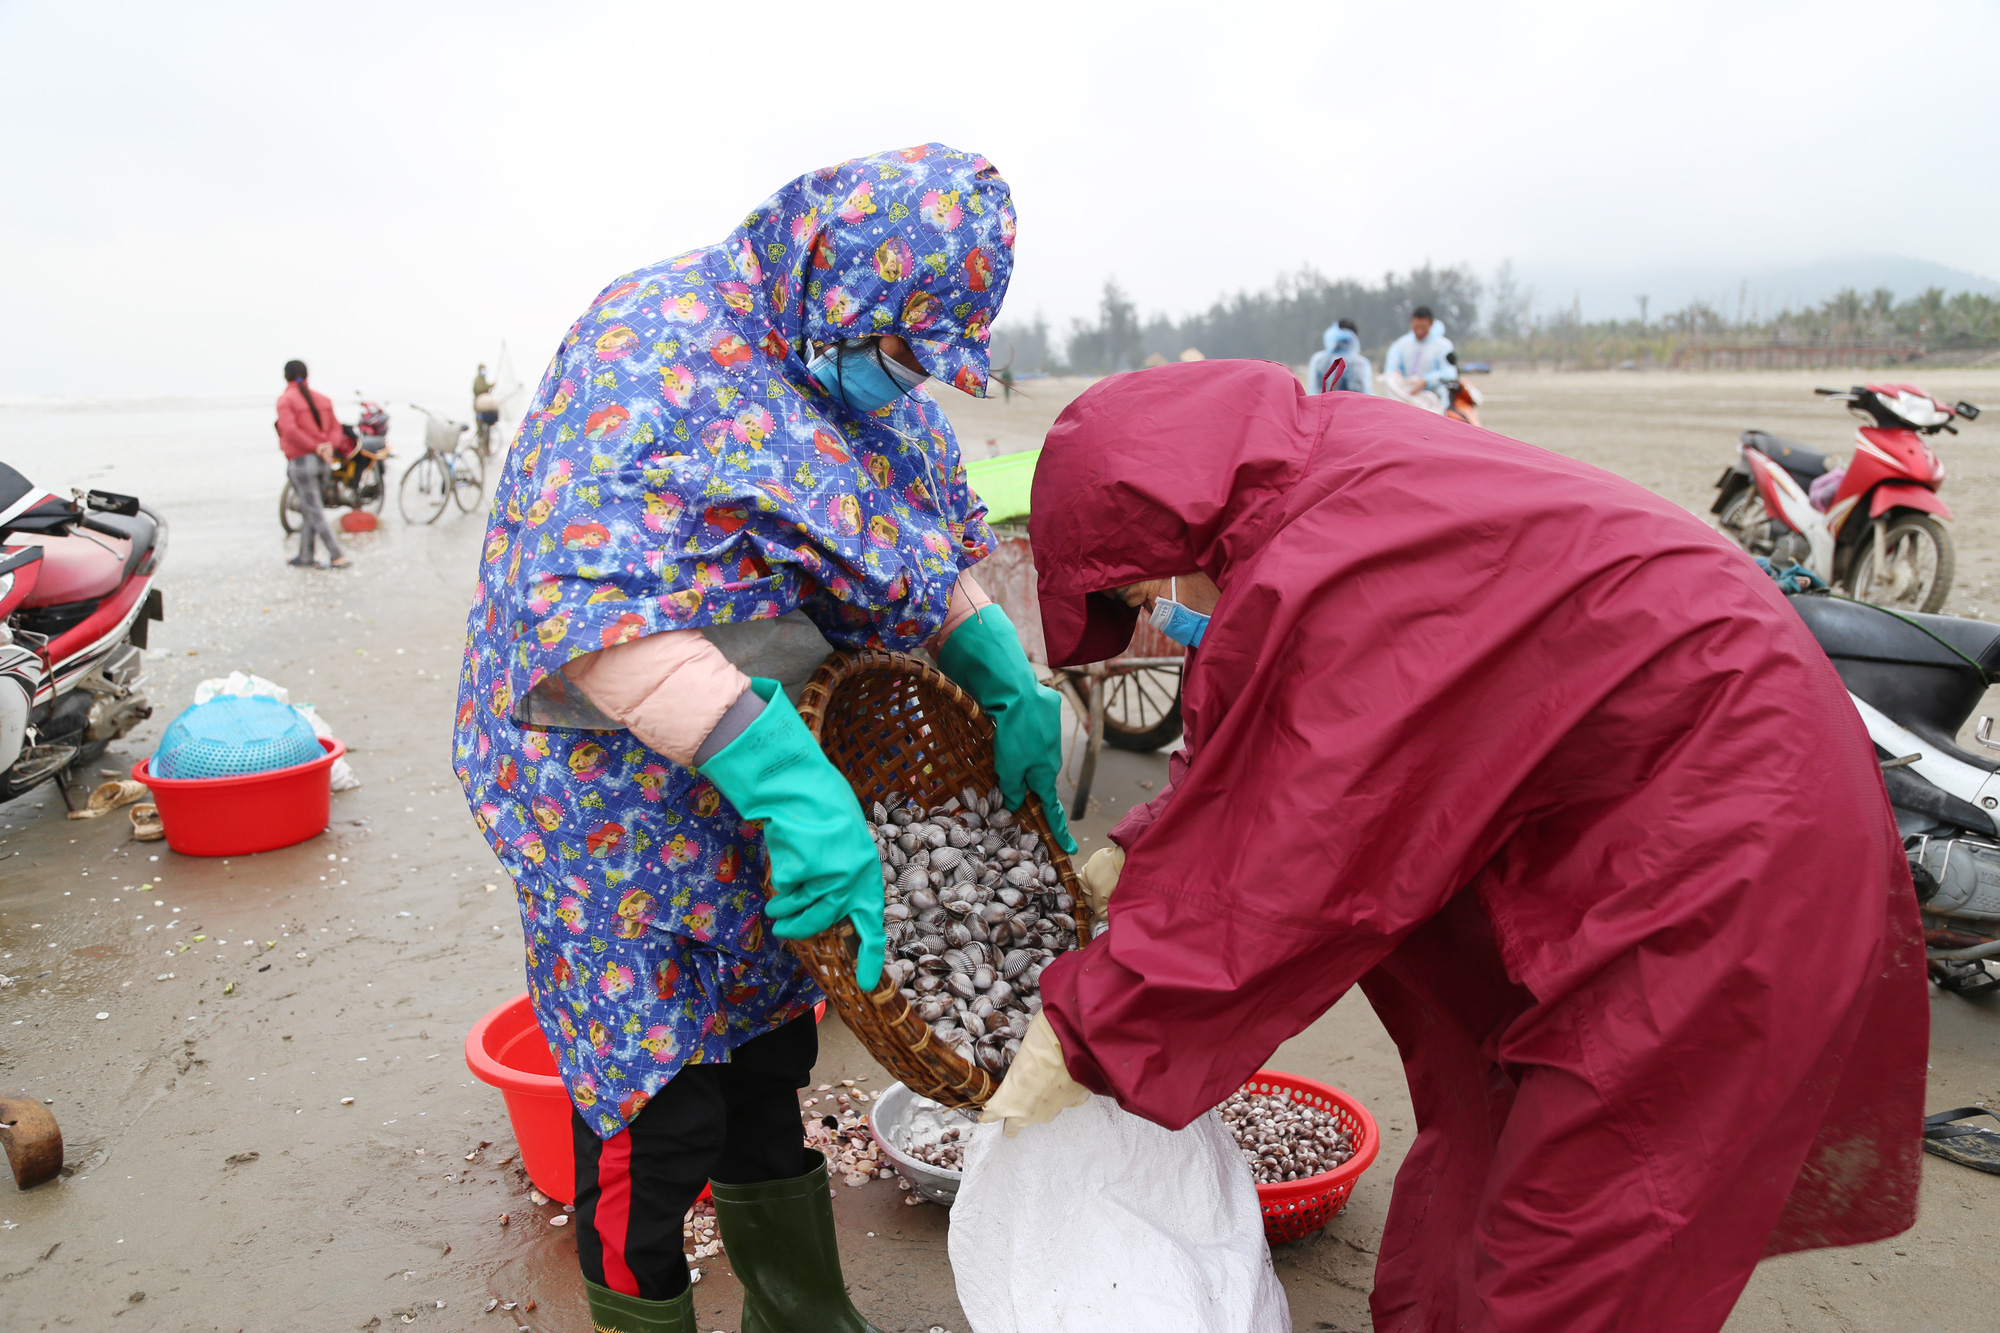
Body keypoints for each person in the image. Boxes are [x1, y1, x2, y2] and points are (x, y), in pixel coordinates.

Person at [985, 359, 1928, 1333]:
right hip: (1633, 800)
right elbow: (1270, 738)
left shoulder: (1333, 552)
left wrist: (1090, 1030)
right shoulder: (1312, 488)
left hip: (1729, 839)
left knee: (1572, 1245)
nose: (1157, 617)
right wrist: (1141, 849)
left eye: (1144, 589)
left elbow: (1289, 862)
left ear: (1170, 520)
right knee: (1473, 1173)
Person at [454, 144, 1069, 1333]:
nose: (904, 381)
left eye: (921, 362)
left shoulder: (845, 379)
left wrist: (994, 658)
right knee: (656, 1106)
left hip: (762, 784)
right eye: (896, 352)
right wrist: (789, 781)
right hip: (609, 801)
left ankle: (798, 1311)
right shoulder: (652, 350)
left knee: (768, 1070)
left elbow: (900, 533)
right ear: (844, 291)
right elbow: (588, 612)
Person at [274, 360, 349, 568]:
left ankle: (337, 554)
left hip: (302, 462)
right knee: (310, 509)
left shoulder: (286, 400)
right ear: (306, 375)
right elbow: (336, 429)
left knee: (314, 510)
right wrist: (327, 447)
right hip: (324, 462)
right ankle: (306, 555)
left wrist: (315, 447)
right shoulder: (323, 400)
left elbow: (289, 430)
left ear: (286, 376)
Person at [1380, 305, 1454, 409]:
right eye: (1416, 327)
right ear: (1411, 323)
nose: (1419, 331)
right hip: (1406, 394)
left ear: (1431, 324)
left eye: (1423, 328)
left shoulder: (1443, 346)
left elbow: (1449, 372)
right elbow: (1391, 370)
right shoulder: (1400, 345)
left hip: (1432, 396)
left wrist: (1426, 381)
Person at [1305, 318, 1372, 395]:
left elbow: (1314, 391)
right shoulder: (1359, 362)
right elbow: (1363, 393)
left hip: (1323, 405)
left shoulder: (1318, 360)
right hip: (1351, 406)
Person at [472, 362, 500, 453]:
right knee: (480, 428)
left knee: (487, 429)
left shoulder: (483, 380)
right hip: (480, 410)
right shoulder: (477, 380)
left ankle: (486, 448)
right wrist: (489, 386)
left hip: (486, 411)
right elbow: (480, 389)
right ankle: (480, 446)